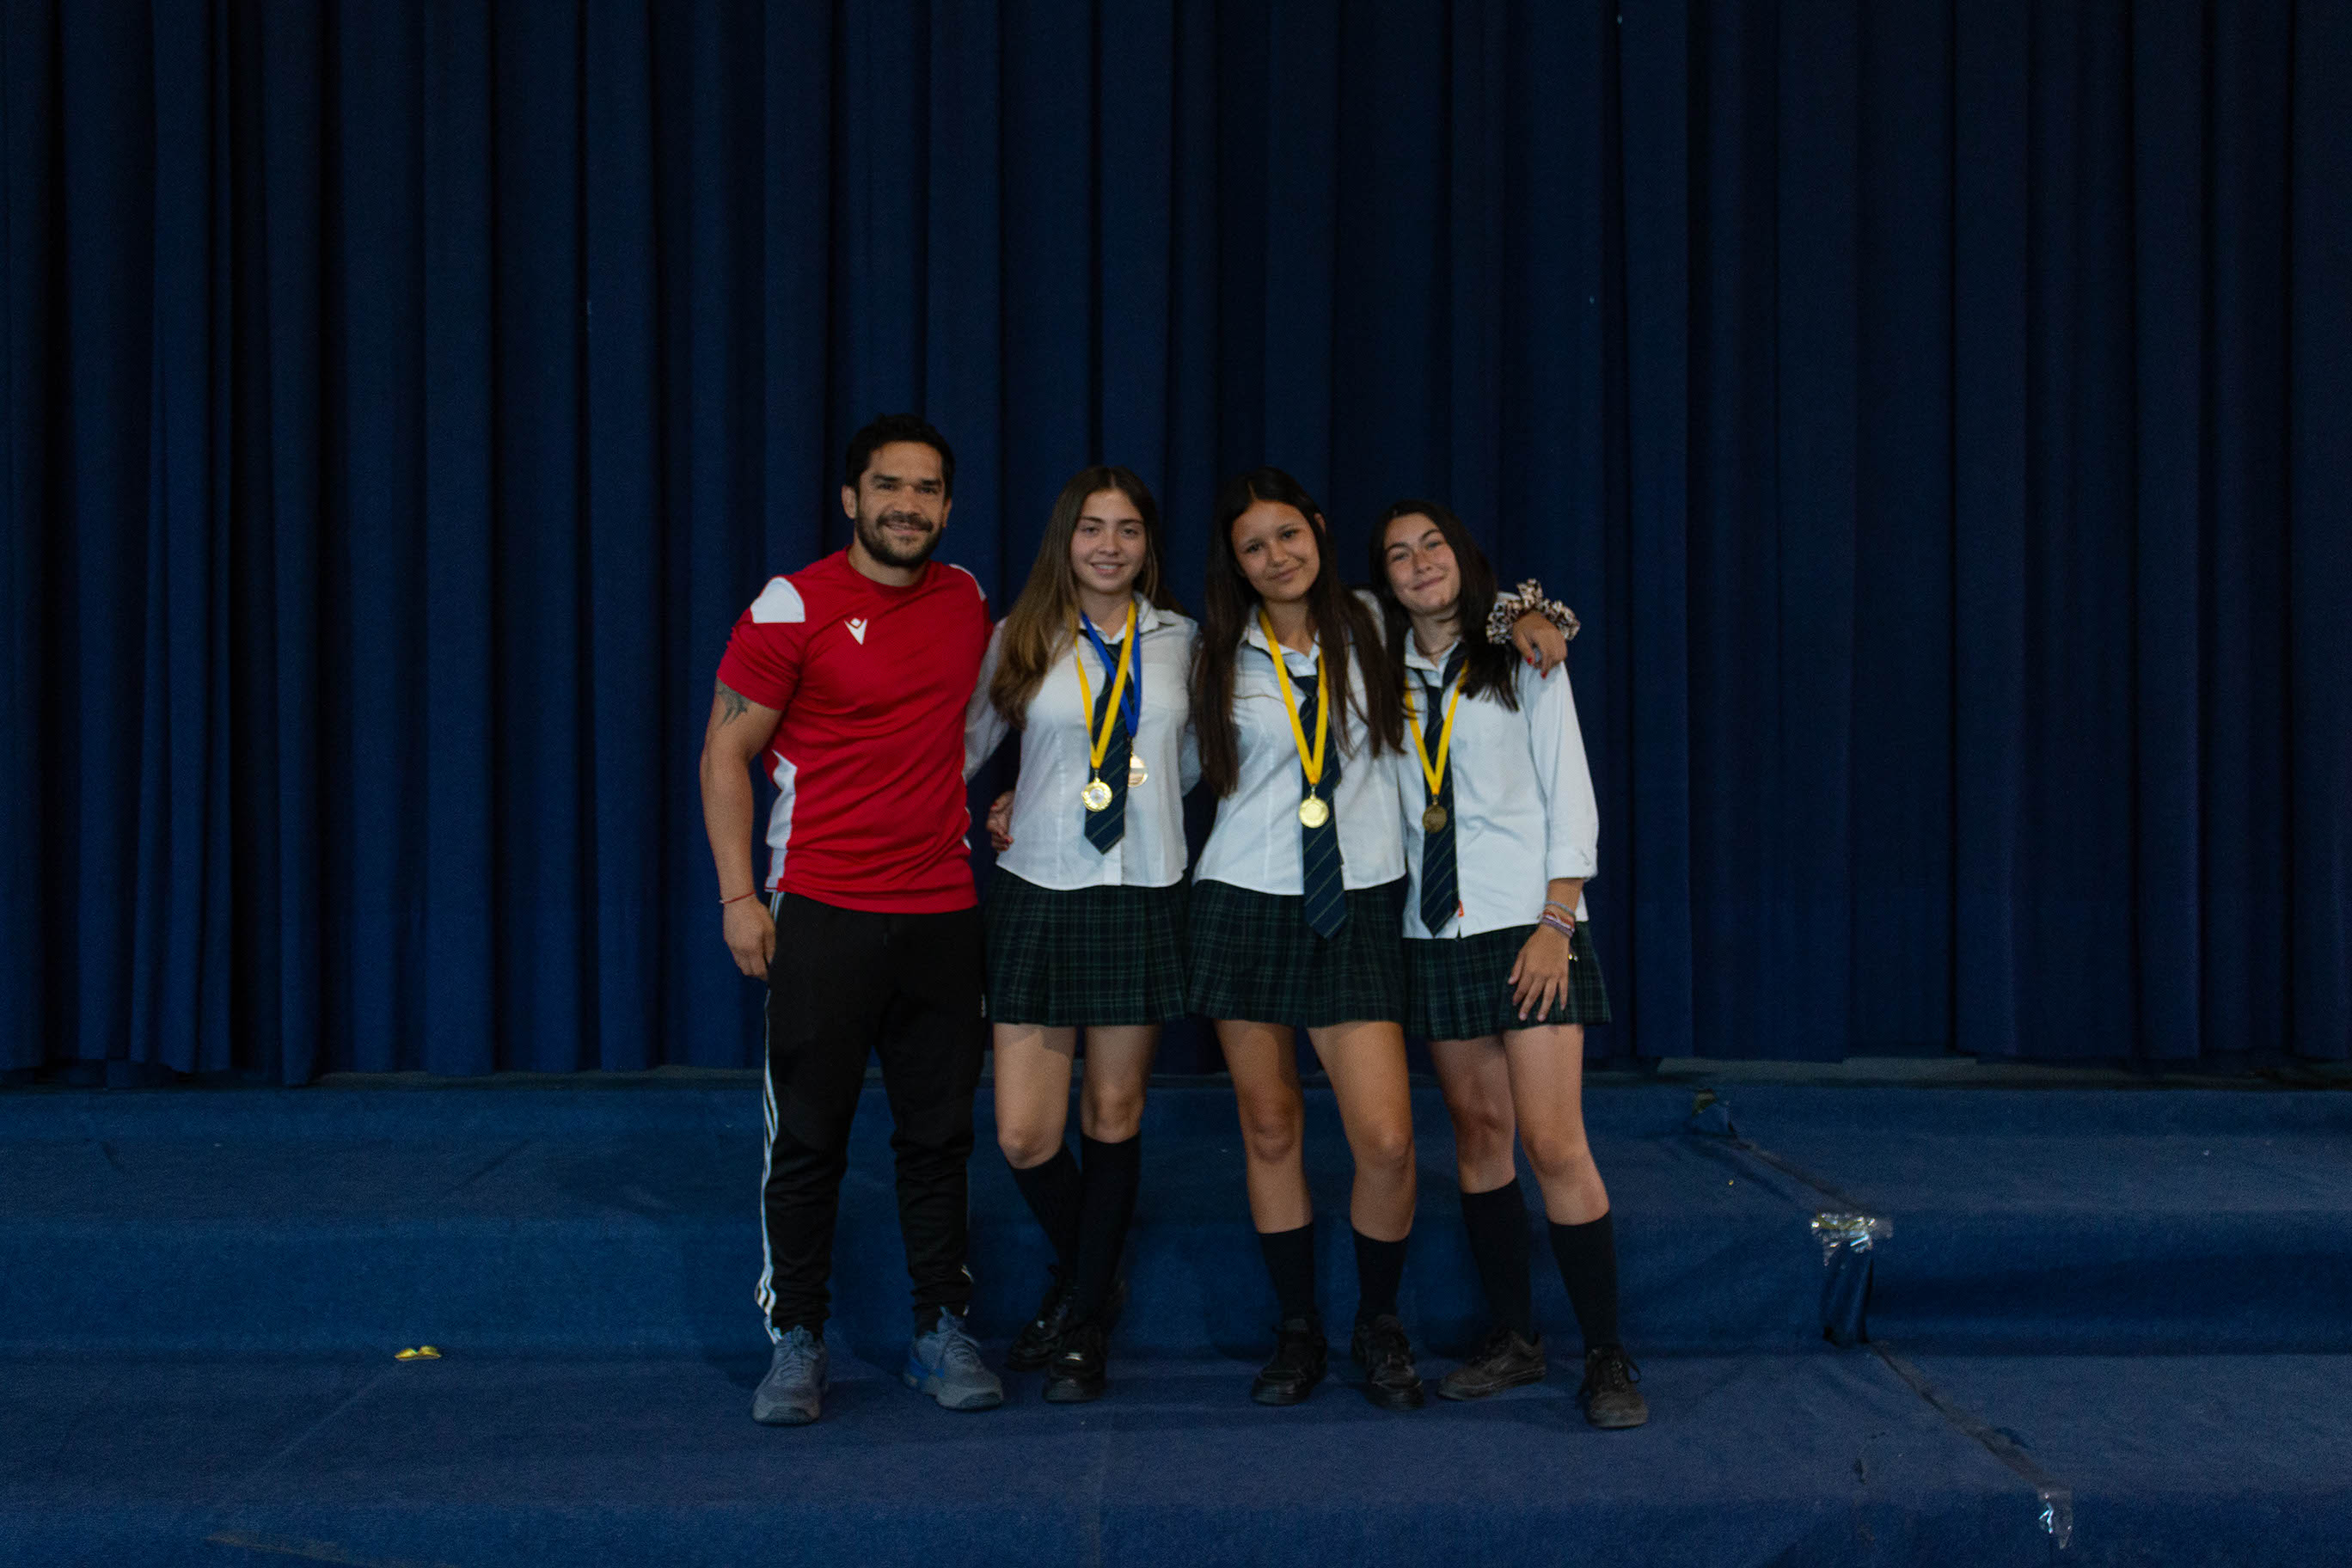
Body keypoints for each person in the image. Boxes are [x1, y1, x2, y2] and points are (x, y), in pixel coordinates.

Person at [698, 413, 1003, 1426]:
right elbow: (724, 755)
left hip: (944, 912)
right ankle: (796, 1337)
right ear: (850, 498)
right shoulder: (792, 604)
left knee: (939, 1138)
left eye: (926, 489)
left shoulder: (966, 599)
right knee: (809, 1139)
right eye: (888, 486)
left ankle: (940, 1328)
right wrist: (740, 897)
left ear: (948, 506)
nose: (907, 505)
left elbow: (988, 721)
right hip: (822, 911)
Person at [1369, 499, 1647, 1430]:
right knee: (1480, 1136)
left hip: (1530, 924)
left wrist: (1556, 921)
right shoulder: (1381, 669)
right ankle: (1516, 1340)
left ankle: (1605, 1355)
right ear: (1385, 579)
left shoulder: (1522, 656)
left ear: (1463, 555)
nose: (1420, 564)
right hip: (1435, 931)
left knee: (1555, 1142)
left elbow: (1571, 789)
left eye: (1433, 546)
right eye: (1399, 555)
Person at [963, 467, 1199, 1403]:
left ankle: (1084, 1316)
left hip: (1141, 889)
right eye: (1092, 528)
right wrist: (1023, 797)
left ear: (1148, 544)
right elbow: (964, 750)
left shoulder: (1183, 641)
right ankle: (1093, 1278)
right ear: (1065, 539)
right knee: (1025, 1134)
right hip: (1039, 888)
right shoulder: (1018, 637)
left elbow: (1189, 764)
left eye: (1128, 529)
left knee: (1113, 1115)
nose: (1110, 546)